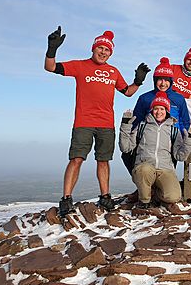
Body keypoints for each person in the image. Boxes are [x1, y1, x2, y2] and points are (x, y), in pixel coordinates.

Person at [43, 26, 150, 217]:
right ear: (93, 49)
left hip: (106, 123)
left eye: (107, 50)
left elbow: (127, 92)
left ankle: (105, 196)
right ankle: (66, 198)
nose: (103, 52)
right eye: (100, 48)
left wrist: (138, 81)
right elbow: (50, 67)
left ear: (110, 53)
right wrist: (52, 50)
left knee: (103, 160)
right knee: (76, 159)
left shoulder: (113, 71)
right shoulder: (80, 65)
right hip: (83, 122)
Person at [119, 92, 191, 208]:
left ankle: (154, 192)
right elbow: (126, 148)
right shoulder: (141, 126)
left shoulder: (174, 130)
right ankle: (144, 201)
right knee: (144, 170)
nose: (159, 112)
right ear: (151, 110)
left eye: (162, 109)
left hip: (165, 169)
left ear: (167, 111)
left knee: (173, 197)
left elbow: (180, 156)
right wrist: (125, 126)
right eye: (156, 109)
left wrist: (190, 139)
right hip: (144, 167)